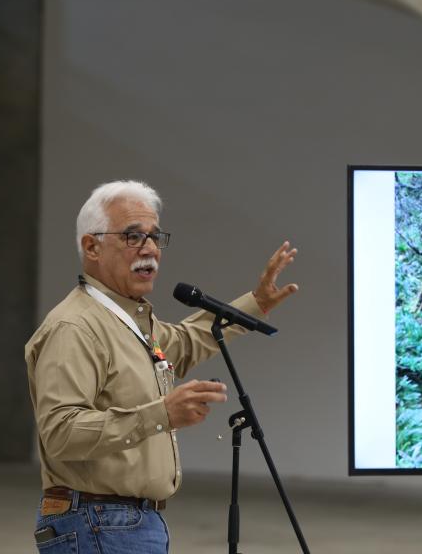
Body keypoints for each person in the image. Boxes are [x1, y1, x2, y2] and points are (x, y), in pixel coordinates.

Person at [25, 180, 298, 553]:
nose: (150, 249)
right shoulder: (75, 328)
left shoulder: (127, 320)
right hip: (96, 523)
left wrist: (255, 305)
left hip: (123, 523)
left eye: (155, 237)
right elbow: (60, 432)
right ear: (92, 246)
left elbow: (183, 343)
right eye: (133, 236)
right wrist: (162, 413)